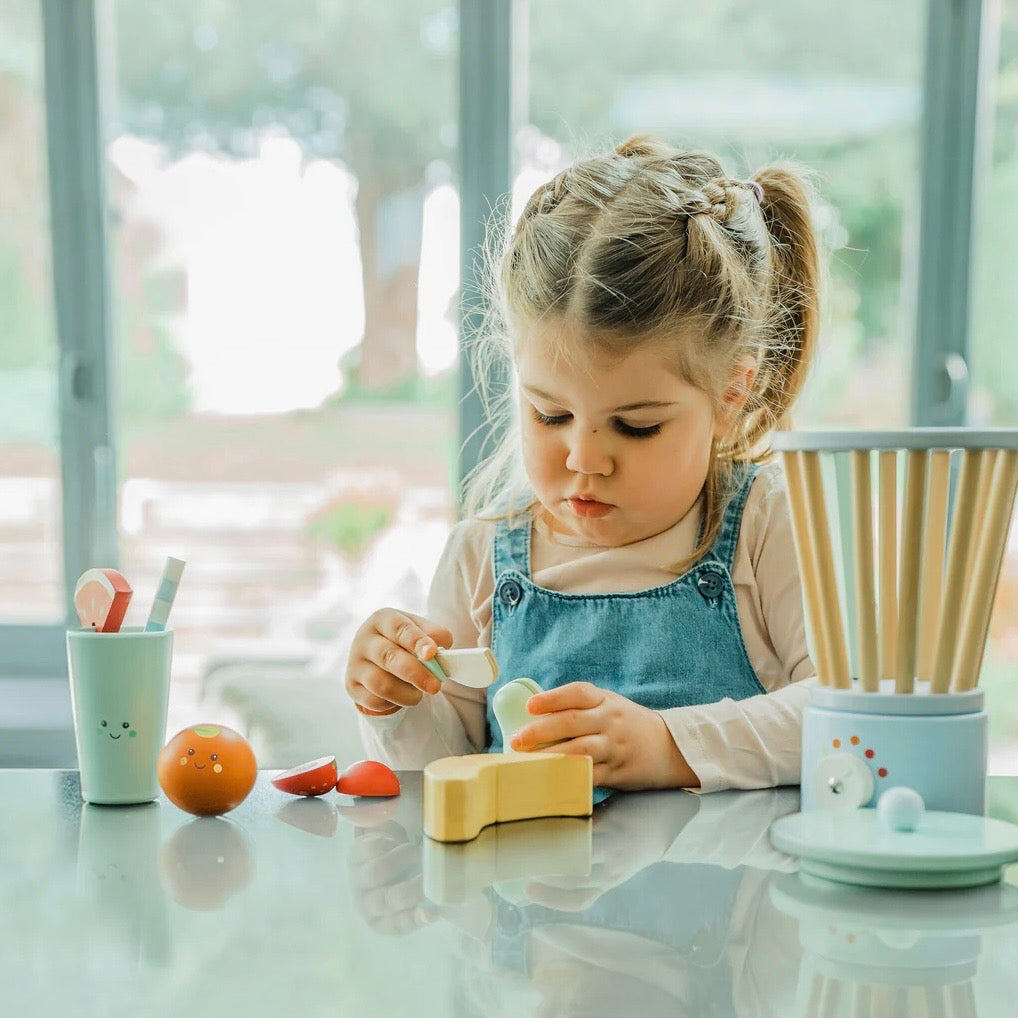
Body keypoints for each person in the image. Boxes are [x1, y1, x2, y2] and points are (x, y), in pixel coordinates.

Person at [345, 134, 819, 793]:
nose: (584, 459)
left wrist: (667, 747)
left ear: (730, 396)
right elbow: (439, 773)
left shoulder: (767, 524)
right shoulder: (480, 558)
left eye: (636, 425)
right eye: (550, 415)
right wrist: (396, 701)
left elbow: (848, 714)